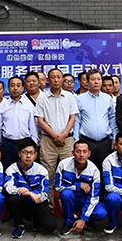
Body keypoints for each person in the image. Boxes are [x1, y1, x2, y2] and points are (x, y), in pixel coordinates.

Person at [36, 68, 78, 208]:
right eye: (53, 77)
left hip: (67, 141)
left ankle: (68, 208)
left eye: (58, 77)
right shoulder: (42, 97)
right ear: (48, 80)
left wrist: (63, 135)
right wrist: (55, 136)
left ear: (62, 79)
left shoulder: (70, 96)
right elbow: (40, 121)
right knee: (48, 175)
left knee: (68, 174)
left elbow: (72, 117)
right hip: (48, 141)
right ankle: (49, 207)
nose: (56, 80)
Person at [4, 138, 57, 239]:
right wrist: (28, 193)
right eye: (25, 152)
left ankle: (36, 219)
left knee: (50, 227)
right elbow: (8, 188)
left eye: (31, 153)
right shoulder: (12, 169)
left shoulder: (41, 170)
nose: (28, 156)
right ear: (19, 154)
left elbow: (44, 193)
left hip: (36, 202)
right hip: (21, 202)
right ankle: (19, 225)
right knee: (13, 199)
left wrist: (30, 193)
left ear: (35, 155)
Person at [55, 140, 107, 235]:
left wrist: (83, 218)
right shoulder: (63, 164)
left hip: (85, 200)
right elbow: (57, 187)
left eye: (84, 151)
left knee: (101, 213)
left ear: (89, 154)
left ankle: (87, 219)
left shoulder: (94, 170)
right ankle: (68, 222)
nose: (81, 155)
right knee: (66, 194)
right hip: (70, 199)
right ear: (73, 153)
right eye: (78, 151)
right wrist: (77, 186)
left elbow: (94, 196)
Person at [74, 69, 118, 171]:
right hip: (86, 142)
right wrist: (76, 140)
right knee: (87, 171)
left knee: (105, 170)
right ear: (87, 81)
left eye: (99, 79)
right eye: (93, 79)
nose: (96, 82)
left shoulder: (107, 98)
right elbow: (77, 120)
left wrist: (114, 137)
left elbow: (112, 118)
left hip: (105, 142)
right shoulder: (80, 99)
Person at [0, 76, 38, 170]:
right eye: (12, 85)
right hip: (7, 144)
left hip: (25, 144)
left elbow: (33, 129)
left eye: (18, 85)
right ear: (8, 88)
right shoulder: (2, 106)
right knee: (8, 170)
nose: (15, 88)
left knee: (26, 170)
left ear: (22, 88)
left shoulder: (29, 106)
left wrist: (34, 148)